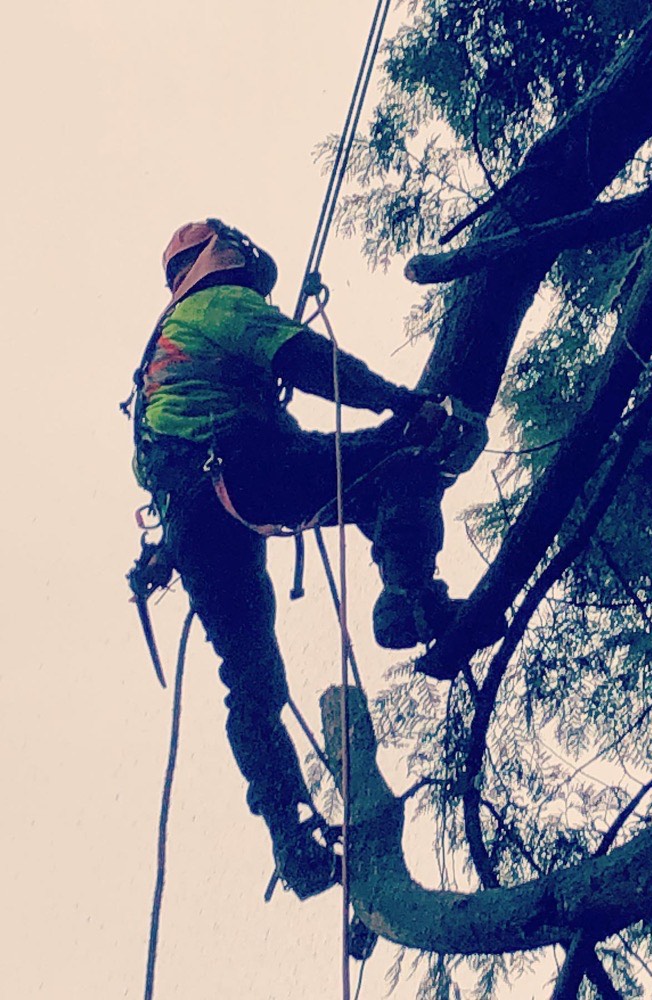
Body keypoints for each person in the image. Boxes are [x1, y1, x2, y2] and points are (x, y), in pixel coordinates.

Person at [130, 219, 469, 899]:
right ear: (221, 260)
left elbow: (172, 464)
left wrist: (168, 554)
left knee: (252, 679)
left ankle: (293, 841)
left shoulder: (159, 364)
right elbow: (309, 361)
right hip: (249, 472)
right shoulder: (218, 305)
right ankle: (405, 593)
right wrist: (403, 404)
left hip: (198, 519)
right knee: (403, 455)